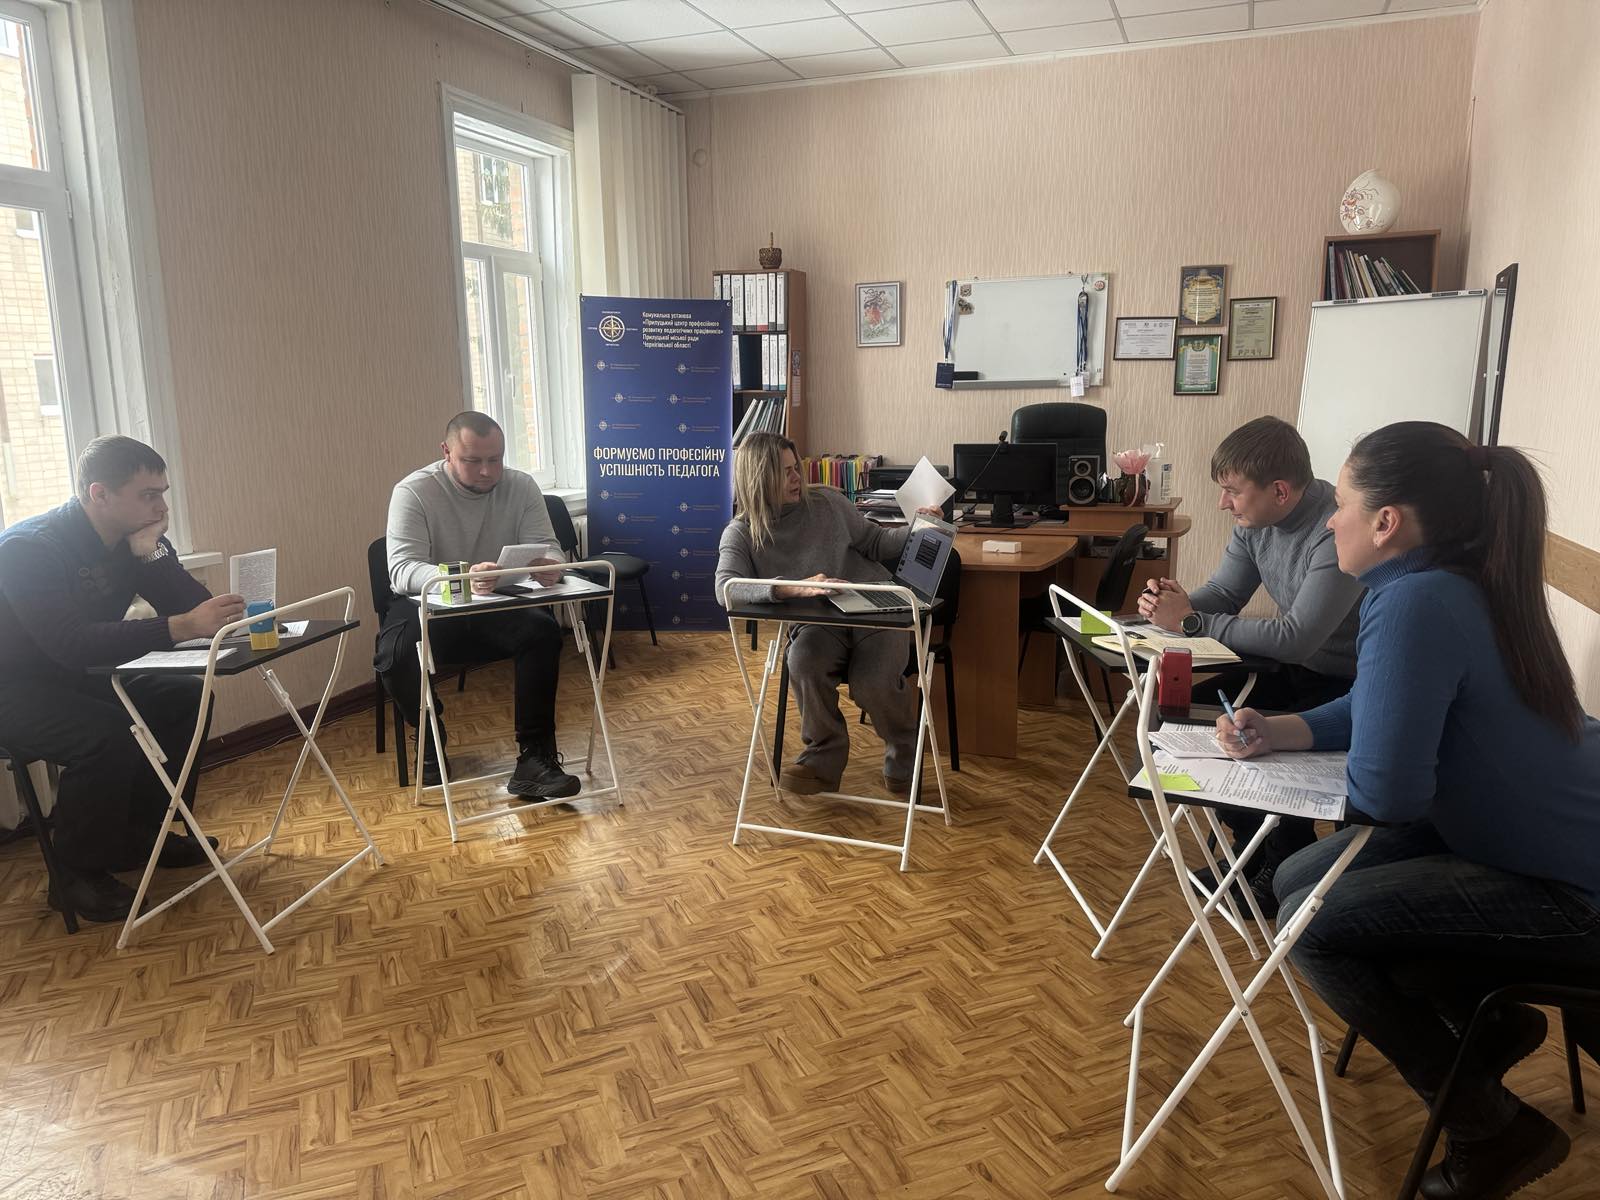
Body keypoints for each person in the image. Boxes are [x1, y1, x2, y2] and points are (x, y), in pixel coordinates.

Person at [1215, 422, 1600, 1199]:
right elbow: (1372, 703)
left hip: (1568, 884)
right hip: (1524, 834)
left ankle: (1491, 1130)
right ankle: (1491, 1028)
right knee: (1294, 877)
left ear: (1386, 521)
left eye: (1344, 504)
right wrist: (1280, 730)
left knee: (1311, 924)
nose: (1332, 520)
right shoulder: (1455, 579)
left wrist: (1311, 777)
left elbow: (1387, 796)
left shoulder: (1415, 601)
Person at [0, 436, 245, 922]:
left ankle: (141, 836)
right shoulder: (28, 549)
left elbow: (199, 611)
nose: (161, 507)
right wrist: (178, 627)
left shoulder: (136, 539)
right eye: (148, 495)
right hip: (15, 686)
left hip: (78, 676)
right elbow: (70, 642)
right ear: (100, 494)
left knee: (185, 696)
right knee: (108, 735)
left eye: (163, 493)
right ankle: (74, 875)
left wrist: (151, 555)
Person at [1138, 416, 1365, 908]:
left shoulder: (1334, 529)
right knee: (1188, 720)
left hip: (1348, 686)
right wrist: (1170, 607)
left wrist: (1191, 622)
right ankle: (1250, 849)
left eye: (1233, 492)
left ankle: (1284, 863)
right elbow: (1224, 593)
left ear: (1279, 491)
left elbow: (1296, 638)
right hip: (1299, 671)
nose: (1224, 503)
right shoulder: (1253, 523)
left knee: (1247, 736)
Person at [715, 432, 936, 797]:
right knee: (803, 661)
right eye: (785, 472)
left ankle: (904, 750)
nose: (796, 478)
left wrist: (918, 527)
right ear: (758, 477)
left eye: (795, 468)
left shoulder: (828, 502)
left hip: (874, 607)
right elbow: (725, 588)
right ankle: (823, 759)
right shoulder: (741, 533)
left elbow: (875, 542)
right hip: (818, 622)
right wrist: (793, 587)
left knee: (872, 681)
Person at [377, 411, 579, 800]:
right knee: (395, 652)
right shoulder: (413, 491)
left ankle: (535, 757)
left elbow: (548, 545)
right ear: (446, 452)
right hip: (429, 601)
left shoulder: (521, 486)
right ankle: (429, 731)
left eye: (495, 459)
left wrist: (551, 565)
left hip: (496, 599)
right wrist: (462, 576)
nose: (487, 471)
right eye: (472, 461)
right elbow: (402, 570)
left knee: (543, 632)